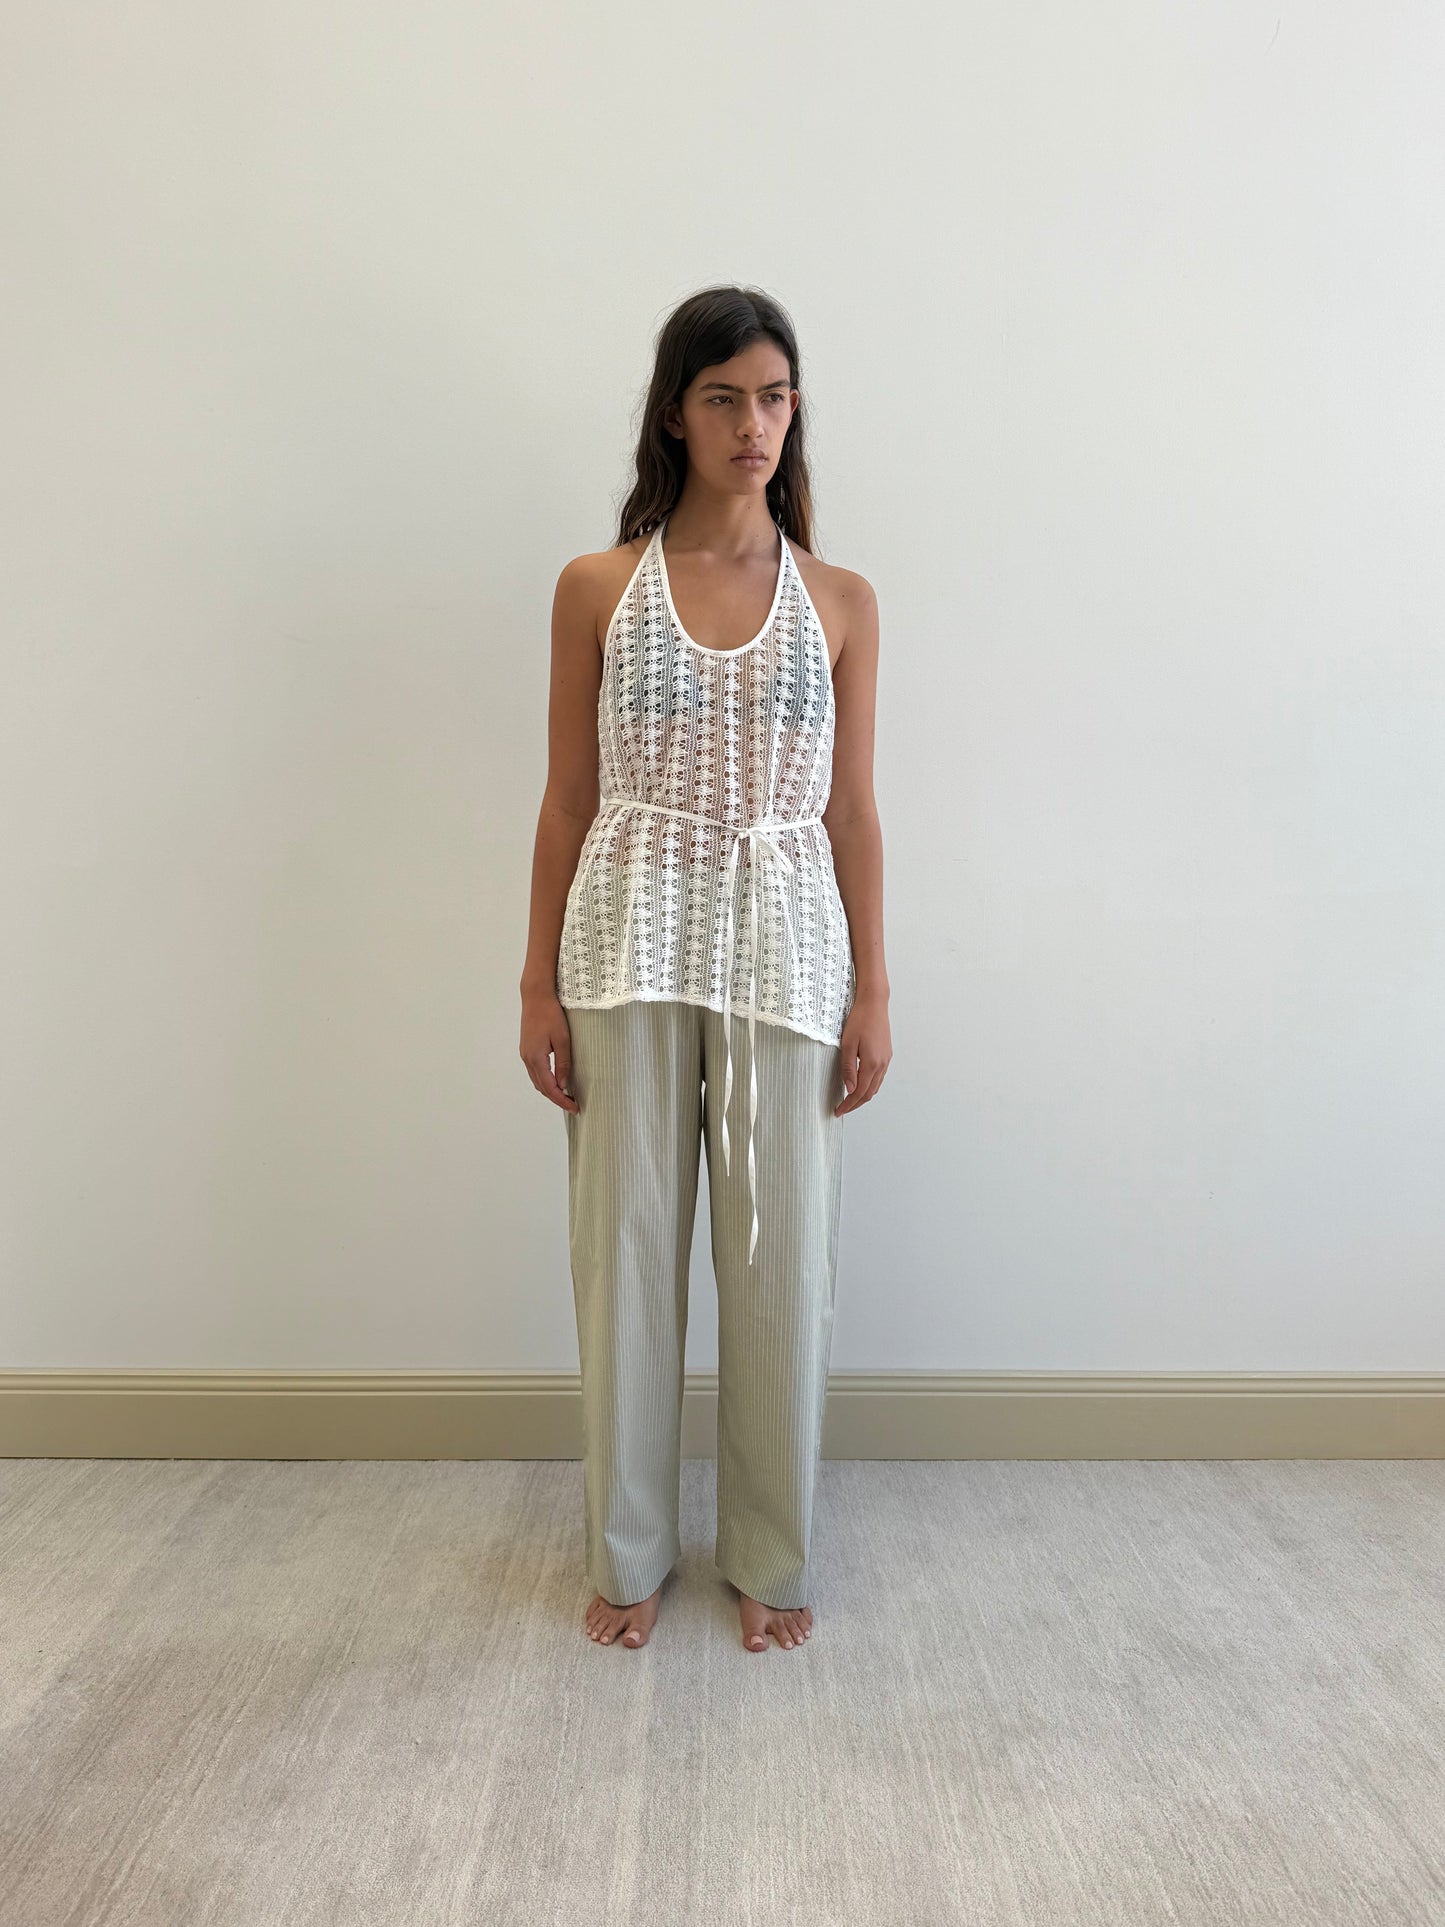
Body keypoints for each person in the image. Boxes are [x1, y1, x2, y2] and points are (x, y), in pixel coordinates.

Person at [519, 284, 890, 1654]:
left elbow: (852, 811)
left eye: (776, 397)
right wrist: (531, 983)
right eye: (726, 396)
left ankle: (766, 1550)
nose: (755, 424)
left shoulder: (838, 601)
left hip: (791, 947)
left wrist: (878, 991)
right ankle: (627, 1550)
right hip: (624, 940)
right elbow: (565, 797)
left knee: (779, 1253)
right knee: (622, 1251)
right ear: (674, 412)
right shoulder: (596, 589)